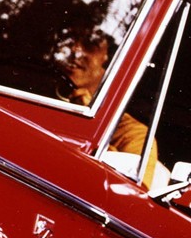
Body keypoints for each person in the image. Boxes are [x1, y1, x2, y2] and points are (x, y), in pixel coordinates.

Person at [55, 34, 160, 188]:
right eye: (69, 40)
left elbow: (129, 193)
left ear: (110, 61)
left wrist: (88, 124)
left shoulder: (135, 134)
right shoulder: (35, 92)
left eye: (90, 45)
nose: (75, 49)